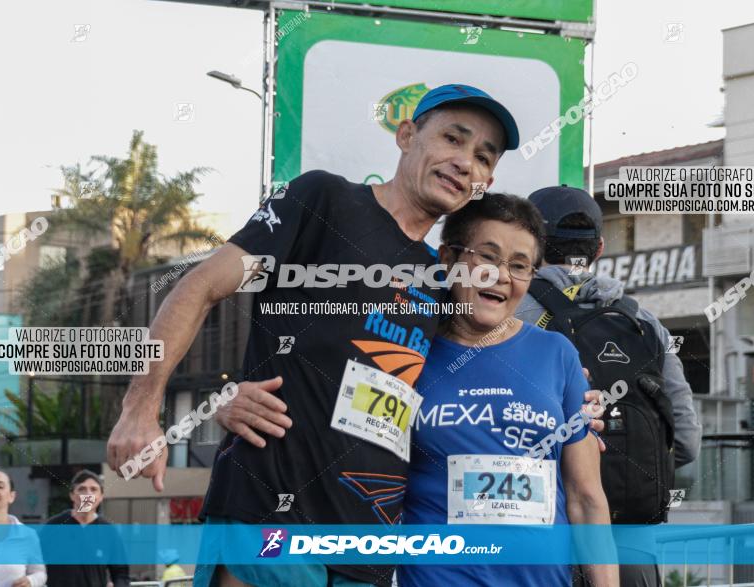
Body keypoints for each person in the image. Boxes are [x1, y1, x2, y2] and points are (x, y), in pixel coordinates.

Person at [107, 83, 521, 587]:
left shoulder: (441, 279)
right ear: (407, 135)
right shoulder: (323, 199)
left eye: (482, 157)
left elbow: (470, 382)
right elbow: (200, 286)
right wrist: (141, 408)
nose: (465, 163)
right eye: (453, 140)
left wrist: (574, 402)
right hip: (270, 518)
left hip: (367, 546)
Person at [398, 193, 617, 586]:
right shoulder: (408, 352)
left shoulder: (558, 355)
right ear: (447, 259)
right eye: (487, 256)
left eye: (519, 266)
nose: (501, 275)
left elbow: (587, 499)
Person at [517, 185, 702, 587]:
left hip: (540, 539)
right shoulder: (644, 322)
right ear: (599, 248)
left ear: (529, 243)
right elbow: (685, 441)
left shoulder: (506, 314)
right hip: (631, 544)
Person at [42, 469, 130, 587]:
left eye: (93, 489)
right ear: (72, 495)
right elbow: (34, 565)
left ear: (101, 497)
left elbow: (121, 573)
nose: (88, 494)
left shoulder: (109, 532)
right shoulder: (53, 527)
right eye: (82, 489)